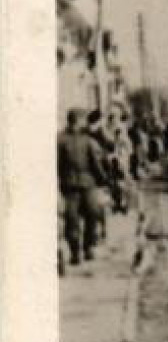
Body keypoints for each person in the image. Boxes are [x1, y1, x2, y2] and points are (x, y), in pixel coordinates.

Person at [59, 109, 110, 267]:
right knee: (71, 218)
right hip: (70, 186)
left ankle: (88, 247)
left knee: (92, 213)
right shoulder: (60, 140)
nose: (77, 124)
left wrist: (103, 179)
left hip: (88, 183)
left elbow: (95, 162)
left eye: (78, 121)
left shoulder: (87, 140)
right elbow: (56, 164)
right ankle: (75, 252)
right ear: (71, 121)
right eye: (76, 121)